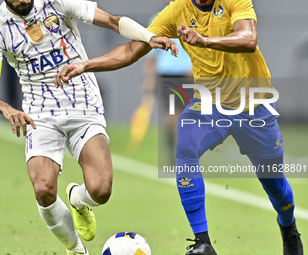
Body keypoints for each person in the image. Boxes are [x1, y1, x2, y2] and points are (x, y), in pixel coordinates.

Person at [55, 0, 304, 254]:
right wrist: (86, 66)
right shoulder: (176, 11)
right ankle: (202, 243)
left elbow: (249, 38)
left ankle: (288, 228)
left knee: (273, 182)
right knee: (185, 145)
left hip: (254, 105)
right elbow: (132, 49)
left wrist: (205, 41)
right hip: (210, 103)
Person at [0, 0, 177, 254]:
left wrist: (149, 37)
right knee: (43, 189)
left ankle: (78, 200)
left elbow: (114, 21)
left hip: (82, 102)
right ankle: (76, 250)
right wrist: (7, 108)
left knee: (101, 190)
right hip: (40, 113)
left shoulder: (58, 3)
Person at [128, 0, 193, 159]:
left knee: (188, 116)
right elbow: (150, 55)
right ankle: (175, 153)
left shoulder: (194, 18)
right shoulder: (158, 20)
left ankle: (184, 152)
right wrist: (149, 78)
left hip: (190, 75)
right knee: (173, 115)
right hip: (169, 75)